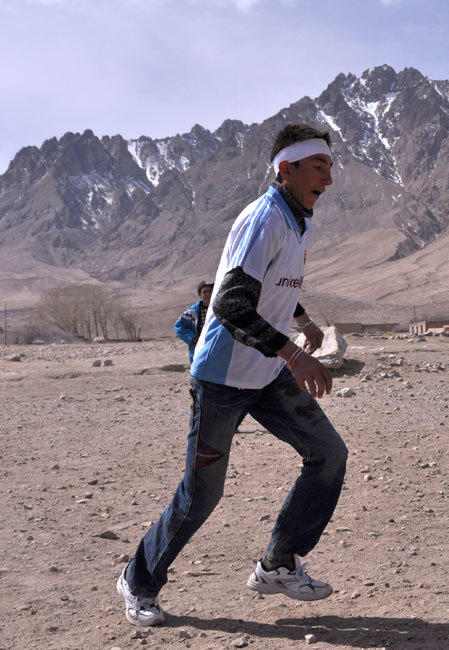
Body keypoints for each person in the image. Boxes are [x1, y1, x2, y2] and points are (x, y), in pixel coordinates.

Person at [117, 124, 348, 627]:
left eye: (330, 167)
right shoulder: (264, 219)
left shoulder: (295, 220)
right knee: (202, 494)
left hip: (264, 374)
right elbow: (231, 302)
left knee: (328, 454)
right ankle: (138, 581)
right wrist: (294, 353)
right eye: (318, 167)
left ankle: (278, 564)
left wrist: (304, 321)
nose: (328, 180)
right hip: (222, 378)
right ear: (285, 170)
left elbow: (273, 282)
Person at [174, 280, 213, 363]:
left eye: (210, 291)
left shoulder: (220, 309)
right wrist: (192, 337)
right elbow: (178, 326)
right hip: (199, 347)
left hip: (215, 345)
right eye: (204, 292)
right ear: (200, 295)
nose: (208, 294)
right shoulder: (192, 312)